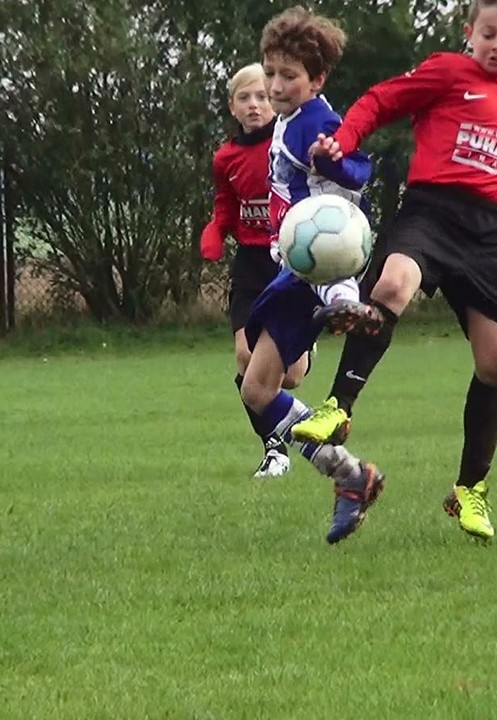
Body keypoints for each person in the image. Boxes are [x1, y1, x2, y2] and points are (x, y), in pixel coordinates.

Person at [302, 0, 497, 541]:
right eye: (488, 34)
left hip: (484, 235)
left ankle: (469, 490)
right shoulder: (447, 70)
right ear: (469, 34)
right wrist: (346, 138)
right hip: (430, 212)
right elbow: (383, 99)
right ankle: (338, 406)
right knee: (392, 284)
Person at [238, 6, 386, 545]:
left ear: (316, 79)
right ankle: (352, 475)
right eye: (270, 72)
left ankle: (346, 304)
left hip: (315, 270)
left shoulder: (319, 122)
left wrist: (334, 161)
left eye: (288, 76)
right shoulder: (288, 120)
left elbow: (361, 171)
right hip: (291, 269)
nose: (275, 86)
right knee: (255, 385)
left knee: (258, 384)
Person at [201, 62, 308, 479]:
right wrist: (217, 228)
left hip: (288, 259)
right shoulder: (225, 156)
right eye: (245, 98)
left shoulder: (287, 143)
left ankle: (305, 352)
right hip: (250, 262)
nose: (255, 105)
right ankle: (274, 449)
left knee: (292, 378)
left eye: (262, 96)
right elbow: (226, 201)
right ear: (232, 106)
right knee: (246, 358)